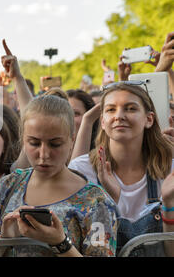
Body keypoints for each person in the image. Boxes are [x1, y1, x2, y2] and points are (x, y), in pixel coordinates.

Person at [0, 95, 117, 257]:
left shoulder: (96, 201)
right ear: (23, 140)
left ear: (71, 140)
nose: (44, 154)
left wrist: (60, 243)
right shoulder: (7, 186)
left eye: (55, 144)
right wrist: (5, 239)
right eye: (34, 143)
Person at [69, 81, 174, 256]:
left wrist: (169, 205)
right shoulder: (82, 170)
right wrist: (108, 202)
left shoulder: (169, 169)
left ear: (149, 119)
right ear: (102, 121)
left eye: (130, 108)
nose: (119, 116)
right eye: (111, 109)